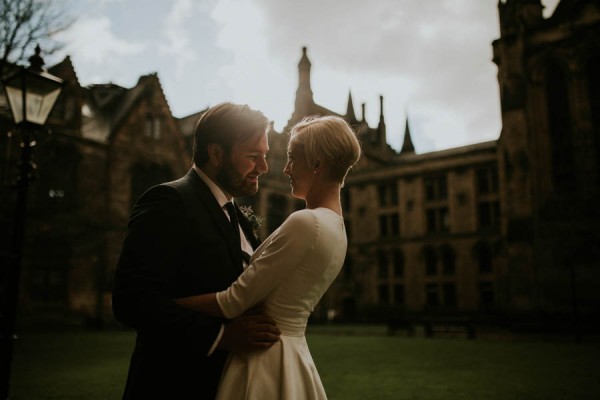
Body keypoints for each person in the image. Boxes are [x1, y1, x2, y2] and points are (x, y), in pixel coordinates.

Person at [175, 115, 362, 399]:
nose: (285, 169)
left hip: (264, 359)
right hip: (294, 353)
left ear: (317, 164)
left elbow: (233, 301)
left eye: (292, 158)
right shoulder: (337, 230)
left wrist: (166, 301)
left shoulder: (307, 223)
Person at [112, 102, 281, 400]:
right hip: (174, 385)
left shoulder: (237, 216)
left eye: (265, 156)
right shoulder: (169, 201)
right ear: (216, 154)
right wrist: (222, 336)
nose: (264, 168)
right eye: (253, 157)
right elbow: (132, 299)